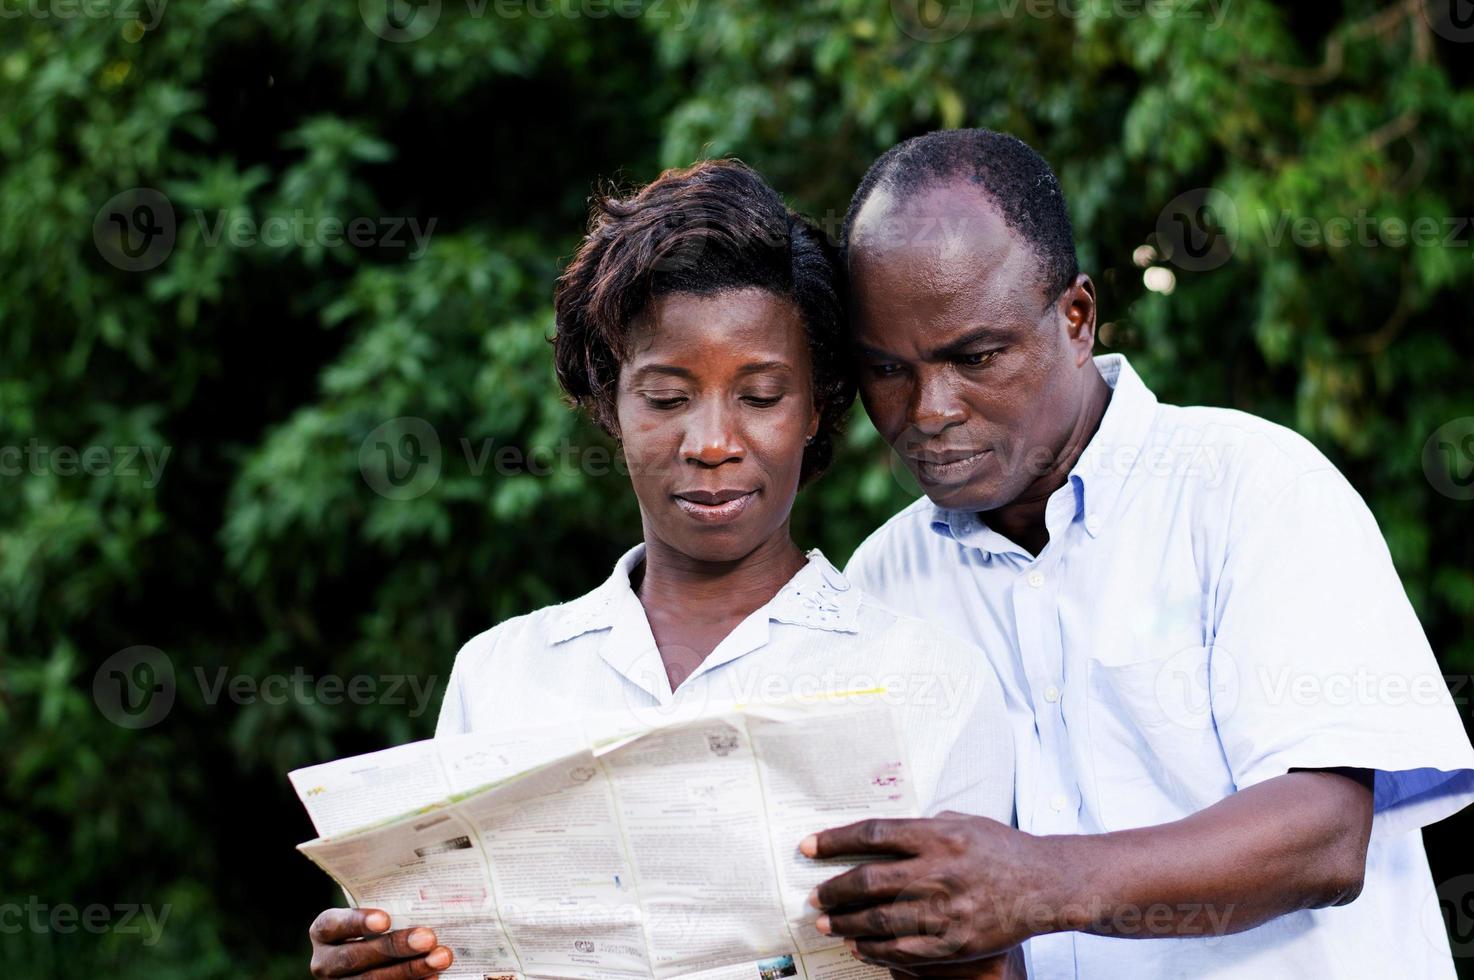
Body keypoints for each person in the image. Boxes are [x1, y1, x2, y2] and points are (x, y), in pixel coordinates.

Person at [306, 159, 1017, 980]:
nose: (711, 442)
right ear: (610, 401)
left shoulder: (928, 679)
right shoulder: (501, 675)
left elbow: (985, 967)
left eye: (760, 395)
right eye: (668, 397)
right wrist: (380, 963)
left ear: (817, 404)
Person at [800, 128, 1474, 978]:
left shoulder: (1252, 489)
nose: (928, 409)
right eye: (886, 369)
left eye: (975, 357)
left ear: (1076, 317)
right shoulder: (882, 586)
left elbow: (1326, 837)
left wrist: (1038, 881)